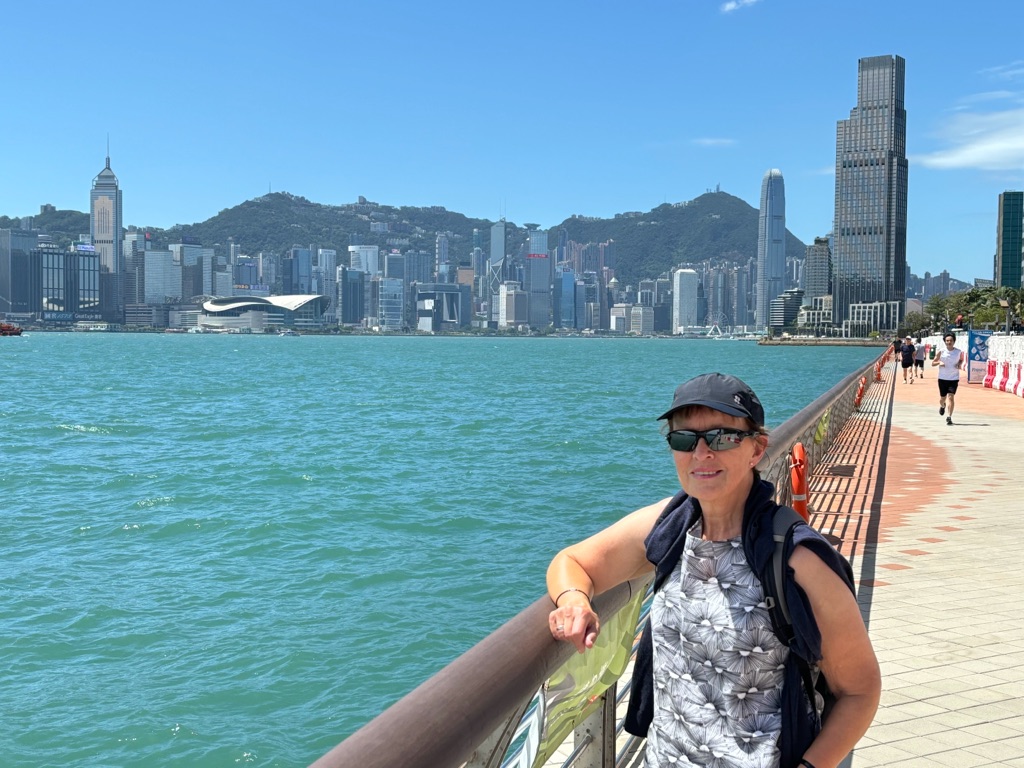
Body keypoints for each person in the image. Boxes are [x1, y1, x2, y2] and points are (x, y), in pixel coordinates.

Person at [546, 373, 881, 768]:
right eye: (684, 439)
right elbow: (573, 562)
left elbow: (860, 691)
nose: (701, 453)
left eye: (722, 438)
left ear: (757, 448)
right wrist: (574, 601)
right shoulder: (671, 525)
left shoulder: (797, 558)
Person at [932, 332, 964, 425]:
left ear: (954, 341)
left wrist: (959, 364)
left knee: (951, 397)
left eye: (950, 341)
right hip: (942, 378)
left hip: (954, 378)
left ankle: (949, 417)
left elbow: (961, 359)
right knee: (943, 398)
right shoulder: (941, 351)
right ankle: (942, 406)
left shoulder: (958, 352)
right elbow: (933, 363)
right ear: (945, 342)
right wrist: (939, 363)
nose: (949, 342)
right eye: (947, 341)